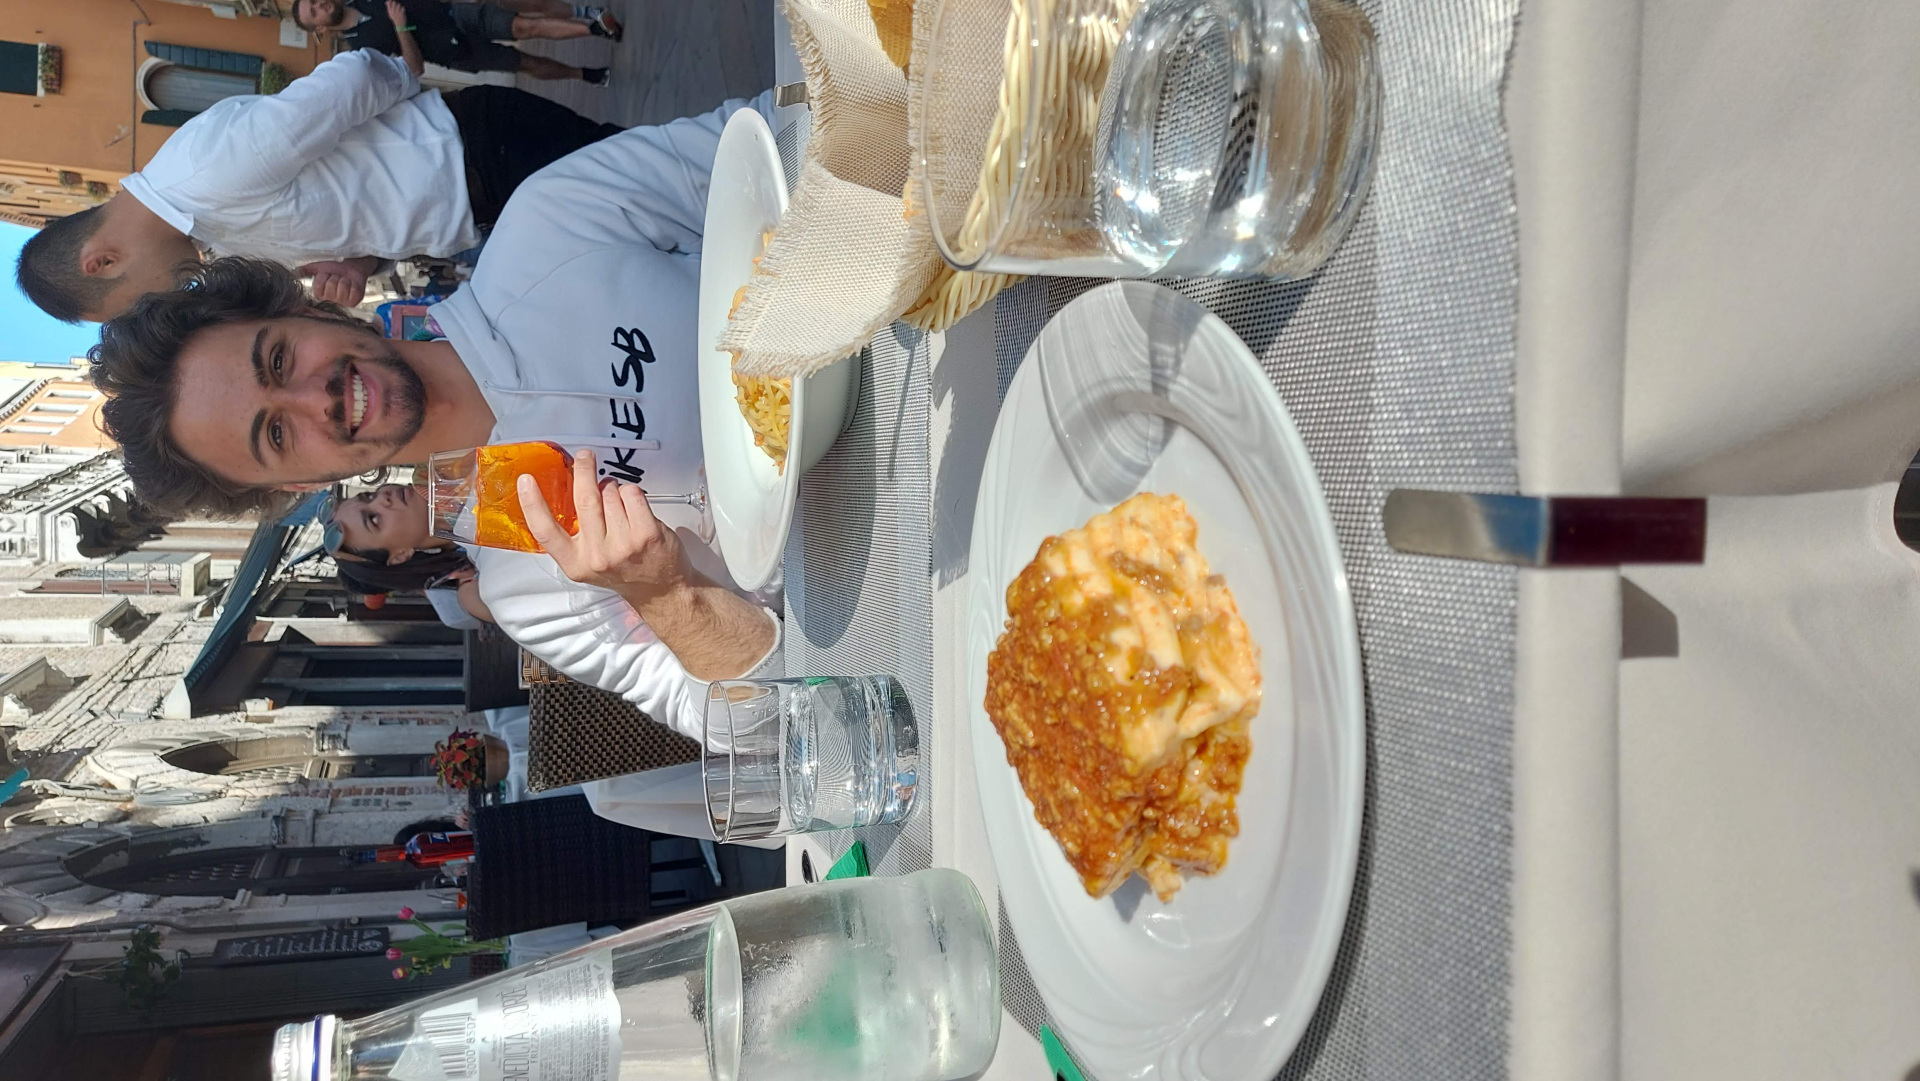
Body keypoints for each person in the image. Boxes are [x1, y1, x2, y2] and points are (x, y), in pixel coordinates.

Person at [85, 93, 782, 744]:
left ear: (306, 308)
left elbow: (773, 140)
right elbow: (760, 723)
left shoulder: (550, 223)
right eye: (276, 434)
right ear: (303, 485)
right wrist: (669, 595)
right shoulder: (527, 587)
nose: (316, 400)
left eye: (278, 359)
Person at [15, 48, 622, 321]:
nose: (163, 300)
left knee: (654, 178)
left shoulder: (205, 171)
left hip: (487, 149)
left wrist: (417, 96)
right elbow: (359, 216)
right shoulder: (213, 238)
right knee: (641, 208)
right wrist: (359, 264)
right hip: (483, 206)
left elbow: (357, 77)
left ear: (103, 261)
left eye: (140, 302)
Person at [293, 0, 622, 85]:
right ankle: (586, 75)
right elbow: (415, 69)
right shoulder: (361, 50)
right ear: (319, 27)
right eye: (315, 12)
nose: (322, 5)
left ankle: (594, 29)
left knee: (523, 26)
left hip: (455, 14)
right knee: (527, 64)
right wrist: (401, 27)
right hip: (455, 52)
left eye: (316, 1)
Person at [322, 484, 492, 628]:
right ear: (400, 555)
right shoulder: (477, 586)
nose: (383, 498)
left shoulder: (454, 475)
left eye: (370, 496)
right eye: (374, 519)